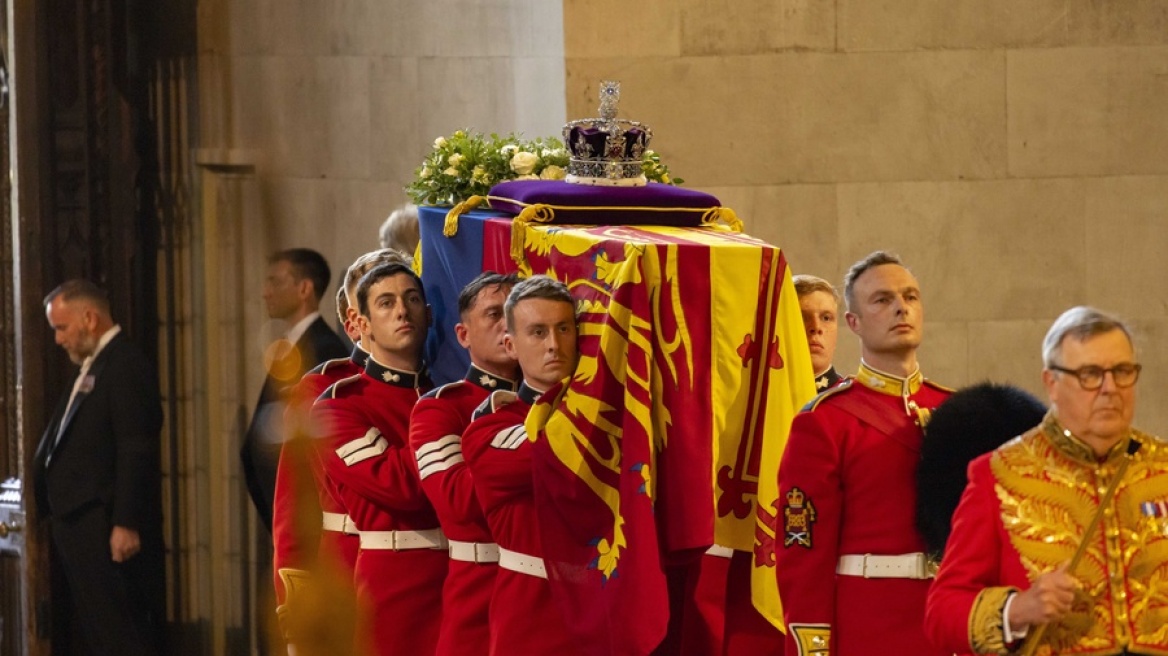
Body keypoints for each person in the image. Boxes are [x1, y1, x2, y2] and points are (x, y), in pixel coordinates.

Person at [926, 306, 1168, 655]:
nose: (1110, 388)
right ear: (1052, 384)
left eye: (1122, 371)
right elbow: (942, 613)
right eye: (1090, 374)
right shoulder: (1000, 474)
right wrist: (1017, 609)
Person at [775, 250, 951, 656]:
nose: (901, 308)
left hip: (949, 627)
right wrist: (813, 647)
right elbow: (803, 552)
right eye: (882, 299)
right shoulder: (824, 422)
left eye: (910, 296)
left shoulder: (957, 411)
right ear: (853, 322)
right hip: (869, 628)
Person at [312, 263, 444, 655]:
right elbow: (400, 488)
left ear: (429, 315)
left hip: (459, 581)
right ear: (362, 324)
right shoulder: (338, 405)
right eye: (386, 303)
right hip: (394, 588)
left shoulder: (449, 395)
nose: (402, 311)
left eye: (412, 299)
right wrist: (451, 441)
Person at [33, 279, 165, 655]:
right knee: (99, 632)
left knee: (120, 635)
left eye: (62, 328)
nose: (58, 339)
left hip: (103, 523)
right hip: (80, 523)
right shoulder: (96, 364)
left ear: (89, 318)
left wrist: (125, 522)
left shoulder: (125, 365)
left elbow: (135, 448)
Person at [461, 275, 581, 655]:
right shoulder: (489, 427)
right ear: (511, 345)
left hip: (605, 612)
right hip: (532, 618)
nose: (554, 344)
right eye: (538, 332)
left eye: (564, 329)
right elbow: (554, 456)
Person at [409, 272, 520, 656]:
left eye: (515, 313)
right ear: (463, 335)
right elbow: (458, 502)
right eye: (494, 314)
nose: (508, 324)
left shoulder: (553, 404)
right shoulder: (439, 409)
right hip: (478, 595)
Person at [242, 248, 348, 532]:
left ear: (304, 289)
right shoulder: (291, 345)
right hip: (283, 512)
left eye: (275, 282)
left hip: (304, 518)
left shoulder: (324, 349)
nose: (265, 292)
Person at [794, 274, 842, 390]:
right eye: (802, 317)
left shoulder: (854, 399)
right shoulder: (757, 395)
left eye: (826, 318)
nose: (816, 327)